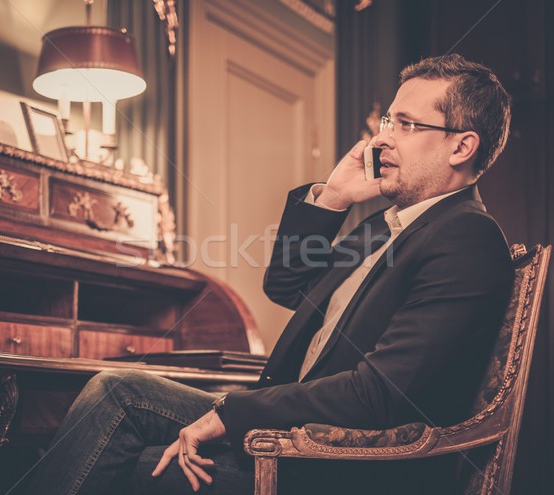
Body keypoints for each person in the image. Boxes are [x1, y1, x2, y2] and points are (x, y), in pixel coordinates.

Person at [25, 53, 513, 495]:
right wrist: (334, 198)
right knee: (118, 389)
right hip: (288, 430)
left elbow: (380, 394)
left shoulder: (465, 237)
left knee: (137, 463)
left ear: (461, 146)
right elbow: (288, 286)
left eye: (406, 124)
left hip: (339, 465)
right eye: (389, 120)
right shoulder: (384, 227)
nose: (382, 138)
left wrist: (229, 416)